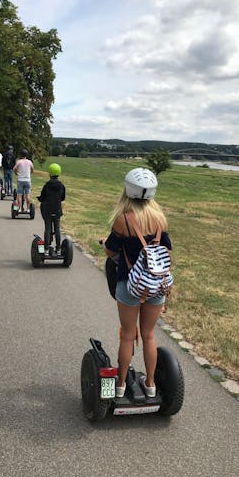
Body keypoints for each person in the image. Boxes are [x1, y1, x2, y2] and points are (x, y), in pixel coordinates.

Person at [102, 168, 172, 398]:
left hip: (130, 284)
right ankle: (151, 385)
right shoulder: (160, 219)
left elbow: (111, 249)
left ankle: (120, 386)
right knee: (150, 335)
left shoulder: (124, 220)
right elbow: (167, 250)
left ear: (128, 189)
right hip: (156, 285)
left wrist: (105, 244)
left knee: (127, 335)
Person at [37, 163, 66, 255]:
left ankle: (45, 249)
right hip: (57, 210)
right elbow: (63, 198)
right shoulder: (61, 186)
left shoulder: (47, 185)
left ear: (49, 173)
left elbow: (42, 197)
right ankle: (58, 249)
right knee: (57, 228)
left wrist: (39, 198)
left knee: (48, 228)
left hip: (47, 210)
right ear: (59, 173)